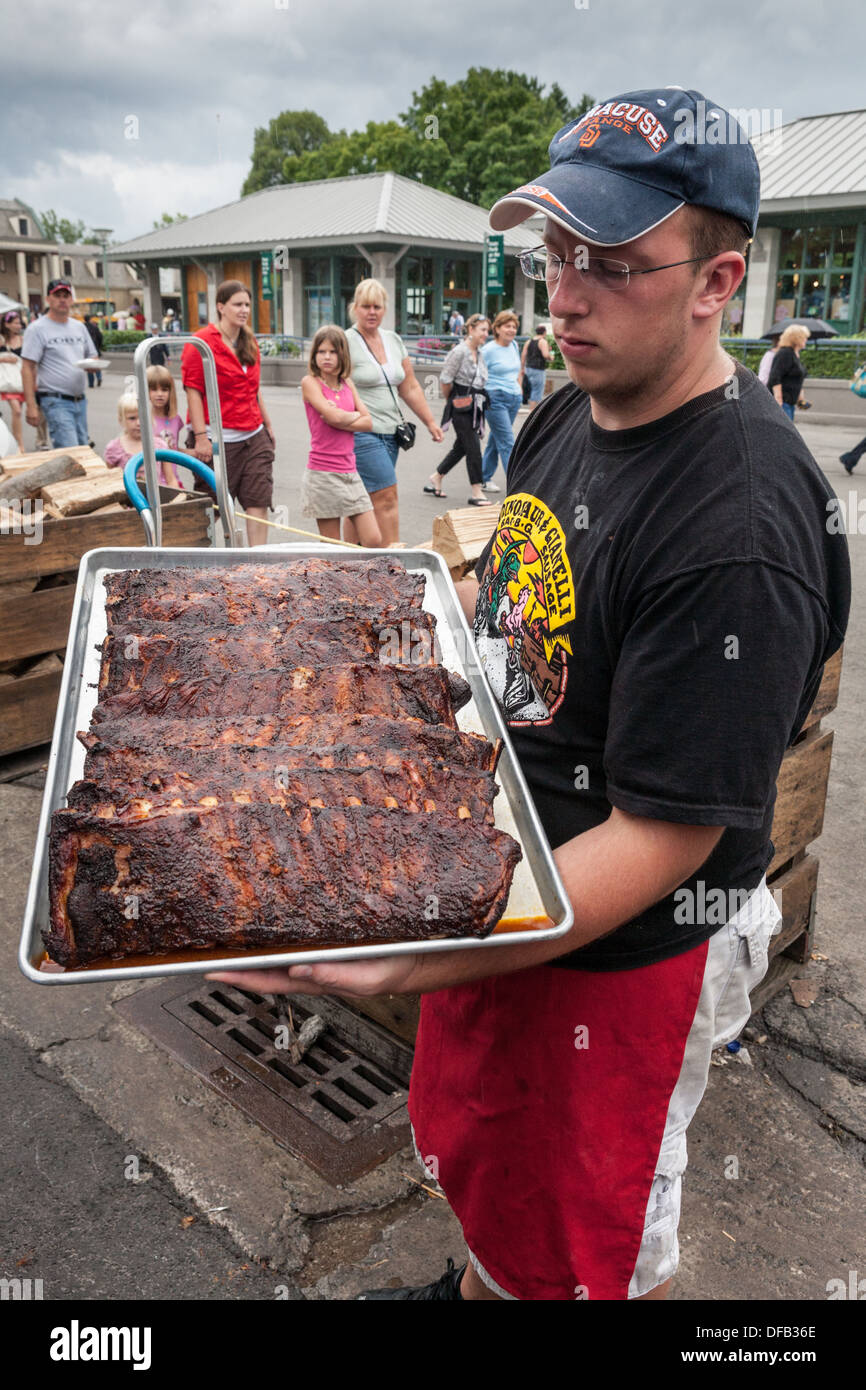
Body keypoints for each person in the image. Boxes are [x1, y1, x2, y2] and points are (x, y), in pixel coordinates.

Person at [209, 86, 850, 1303]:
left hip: (617, 955)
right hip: (499, 879)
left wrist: (423, 959)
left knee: (591, 1238)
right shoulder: (568, 409)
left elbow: (671, 832)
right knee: (491, 1162)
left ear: (719, 280)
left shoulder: (738, 525)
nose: (561, 295)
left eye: (610, 262)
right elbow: (521, 602)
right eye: (554, 253)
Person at [345, 278, 443, 546]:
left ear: (385, 309)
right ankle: (393, 559)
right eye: (365, 306)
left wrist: (430, 422)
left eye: (377, 306)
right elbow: (334, 386)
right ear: (355, 308)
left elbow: (409, 386)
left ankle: (348, 558)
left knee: (362, 498)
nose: (371, 312)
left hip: (392, 433)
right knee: (387, 496)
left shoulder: (393, 339)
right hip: (361, 432)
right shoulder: (346, 341)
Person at [181, 280, 276, 546]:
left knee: (258, 502)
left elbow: (254, 389)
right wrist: (200, 437)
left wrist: (267, 425)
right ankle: (209, 566)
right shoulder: (201, 342)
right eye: (238, 304)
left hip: (253, 436)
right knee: (211, 508)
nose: (244, 310)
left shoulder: (249, 340)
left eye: (247, 304)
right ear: (221, 307)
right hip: (218, 437)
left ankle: (259, 567)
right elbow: (193, 390)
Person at [300, 325, 380, 547]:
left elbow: (368, 422)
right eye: (321, 351)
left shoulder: (347, 384)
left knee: (373, 539)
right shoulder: (310, 383)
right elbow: (331, 416)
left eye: (333, 352)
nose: (327, 357)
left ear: (342, 354)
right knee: (332, 548)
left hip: (349, 472)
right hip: (322, 473)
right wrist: (353, 417)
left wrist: (344, 416)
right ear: (314, 354)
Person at [21, 278, 98, 447]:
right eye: (57, 295)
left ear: (71, 299)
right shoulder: (37, 329)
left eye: (66, 295)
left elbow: (93, 356)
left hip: (80, 400)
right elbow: (27, 367)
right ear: (48, 299)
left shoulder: (79, 327)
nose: (62, 299)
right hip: (55, 400)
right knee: (70, 451)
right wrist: (31, 406)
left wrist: (93, 365)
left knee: (83, 448)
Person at [426, 314, 493, 506]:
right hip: (461, 405)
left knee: (462, 446)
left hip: (475, 405)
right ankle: (477, 490)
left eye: (487, 331)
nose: (486, 334)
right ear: (470, 330)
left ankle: (437, 476)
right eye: (482, 330)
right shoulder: (459, 352)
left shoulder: (479, 353)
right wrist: (453, 401)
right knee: (473, 446)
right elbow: (446, 380)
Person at [480, 310, 522, 492]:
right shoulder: (488, 350)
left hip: (513, 397)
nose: (511, 330)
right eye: (507, 326)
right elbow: (478, 375)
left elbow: (518, 371)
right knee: (507, 442)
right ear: (497, 329)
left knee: (496, 439)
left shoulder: (514, 346)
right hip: (495, 398)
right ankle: (517, 486)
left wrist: (519, 391)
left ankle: (484, 476)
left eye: (514, 327)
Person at [145, 364, 185, 487]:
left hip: (172, 480)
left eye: (164, 389)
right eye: (154, 389)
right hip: (152, 483)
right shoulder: (143, 421)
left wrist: (194, 453)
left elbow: (173, 448)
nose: (160, 394)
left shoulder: (175, 419)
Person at [767, 324, 809, 420]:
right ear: (796, 338)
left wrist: (800, 400)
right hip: (783, 402)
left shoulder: (795, 354)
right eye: (804, 337)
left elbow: (797, 379)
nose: (806, 340)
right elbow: (775, 377)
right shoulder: (785, 353)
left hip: (790, 403)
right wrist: (779, 401)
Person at [0, 309, 26, 451]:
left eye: (20, 323)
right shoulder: (1, 339)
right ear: (7, 324)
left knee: (18, 412)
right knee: (16, 411)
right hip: (8, 382)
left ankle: (16, 440)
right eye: (16, 323)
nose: (19, 326)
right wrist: (4, 358)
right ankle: (20, 445)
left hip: (21, 381)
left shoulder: (23, 339)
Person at [103, 382, 144, 471]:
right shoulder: (113, 448)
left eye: (142, 417)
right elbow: (108, 478)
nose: (138, 423)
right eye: (132, 418)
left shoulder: (159, 445)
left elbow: (170, 478)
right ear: (121, 420)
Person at [521, 323, 553, 410]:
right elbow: (546, 355)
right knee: (537, 391)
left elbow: (523, 355)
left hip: (528, 368)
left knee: (531, 390)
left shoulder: (528, 341)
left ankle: (532, 411)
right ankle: (532, 412)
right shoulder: (543, 341)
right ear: (544, 332)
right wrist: (551, 357)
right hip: (538, 369)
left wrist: (522, 368)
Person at [83, 315, 104, 387]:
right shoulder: (94, 326)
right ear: (90, 319)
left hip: (86, 349)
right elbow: (100, 337)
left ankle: (91, 384)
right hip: (95, 347)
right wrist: (99, 345)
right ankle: (99, 377)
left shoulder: (82, 327)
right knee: (96, 364)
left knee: (89, 365)